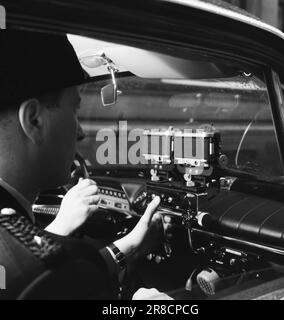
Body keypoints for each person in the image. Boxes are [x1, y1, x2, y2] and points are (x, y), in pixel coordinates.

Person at [0, 29, 164, 299]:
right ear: (34, 121)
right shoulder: (46, 274)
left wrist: (128, 247)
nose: (81, 133)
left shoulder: (40, 264)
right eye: (74, 109)